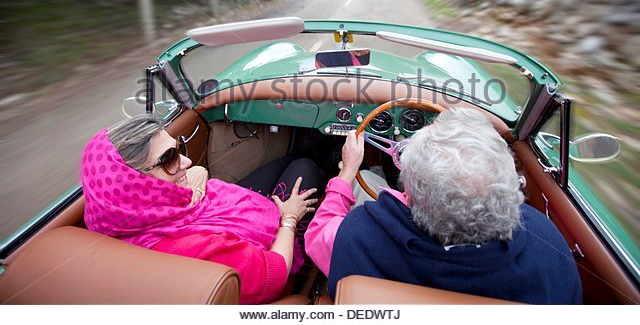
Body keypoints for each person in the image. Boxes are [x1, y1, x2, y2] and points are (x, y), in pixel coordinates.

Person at [305, 107, 582, 304]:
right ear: (510, 189)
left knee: (365, 178)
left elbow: (317, 237)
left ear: (409, 196)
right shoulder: (548, 246)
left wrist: (346, 173)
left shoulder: (359, 236)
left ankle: (371, 169)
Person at [81, 114, 320, 304]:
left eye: (178, 149)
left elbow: (195, 174)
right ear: (134, 185)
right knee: (305, 167)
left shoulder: (122, 217)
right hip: (274, 258)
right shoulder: (196, 250)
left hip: (223, 209)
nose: (186, 162)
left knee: (289, 162)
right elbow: (275, 273)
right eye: (169, 159)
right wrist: (289, 218)